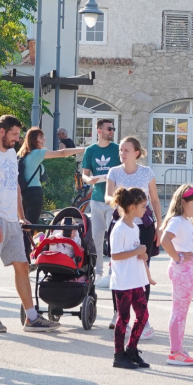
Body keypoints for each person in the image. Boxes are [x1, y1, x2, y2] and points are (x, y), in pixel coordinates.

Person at [0, 115, 57, 333]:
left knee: (22, 266)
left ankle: (31, 318)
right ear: (1, 132)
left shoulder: (12, 153)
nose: (17, 139)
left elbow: (15, 187)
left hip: (12, 220)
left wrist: (21, 215)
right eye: (13, 134)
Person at [104, 136, 163, 336]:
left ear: (136, 153)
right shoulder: (113, 171)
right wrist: (121, 199)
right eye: (121, 150)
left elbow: (154, 200)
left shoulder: (147, 172)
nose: (122, 153)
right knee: (118, 269)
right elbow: (107, 196)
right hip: (121, 224)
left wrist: (159, 226)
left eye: (126, 150)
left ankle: (142, 317)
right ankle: (118, 314)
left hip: (144, 226)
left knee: (142, 270)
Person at [159, 184, 193, 366]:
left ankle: (178, 348)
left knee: (182, 312)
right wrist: (177, 257)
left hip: (188, 271)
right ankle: (175, 352)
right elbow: (164, 240)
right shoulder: (177, 220)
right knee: (179, 312)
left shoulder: (184, 220)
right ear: (183, 202)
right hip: (183, 271)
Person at [109, 187, 152, 369]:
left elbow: (134, 251)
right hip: (124, 282)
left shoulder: (134, 227)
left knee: (143, 315)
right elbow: (115, 255)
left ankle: (132, 348)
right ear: (133, 207)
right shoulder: (119, 229)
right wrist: (137, 251)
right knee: (124, 318)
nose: (145, 210)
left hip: (136, 280)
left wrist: (142, 255)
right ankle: (118, 354)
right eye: (143, 206)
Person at [18, 127, 85, 227]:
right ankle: (26, 243)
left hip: (22, 194)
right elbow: (62, 153)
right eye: (41, 137)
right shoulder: (37, 153)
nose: (44, 140)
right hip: (34, 194)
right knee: (30, 228)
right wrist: (83, 149)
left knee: (23, 226)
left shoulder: (22, 154)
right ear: (33, 139)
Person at [81, 118, 117, 288]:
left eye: (113, 129)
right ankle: (98, 271)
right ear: (99, 130)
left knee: (113, 237)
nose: (112, 131)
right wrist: (89, 180)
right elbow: (85, 174)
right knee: (96, 237)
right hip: (96, 199)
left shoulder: (117, 150)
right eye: (109, 128)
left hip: (114, 200)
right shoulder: (90, 150)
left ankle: (112, 272)